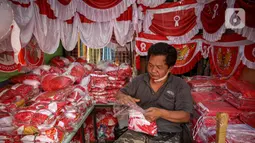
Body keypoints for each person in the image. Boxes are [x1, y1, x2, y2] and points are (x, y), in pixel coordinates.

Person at [114, 42, 193, 143]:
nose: (153, 70)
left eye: (159, 67)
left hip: (168, 133)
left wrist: (161, 113)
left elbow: (185, 116)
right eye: (150, 65)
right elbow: (119, 93)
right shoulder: (139, 80)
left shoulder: (180, 85)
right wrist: (122, 97)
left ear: (170, 68)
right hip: (140, 130)